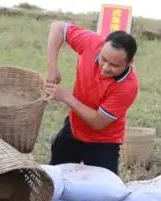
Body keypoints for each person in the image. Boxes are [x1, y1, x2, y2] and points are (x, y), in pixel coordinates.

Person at [44, 20, 140, 174]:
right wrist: (52, 68)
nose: (105, 67)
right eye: (103, 59)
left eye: (114, 65)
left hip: (104, 141)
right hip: (74, 127)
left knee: (105, 190)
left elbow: (98, 122)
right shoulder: (91, 42)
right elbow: (58, 27)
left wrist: (66, 97)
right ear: (101, 47)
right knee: (55, 176)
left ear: (129, 62)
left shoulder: (128, 86)